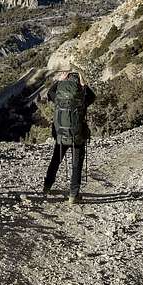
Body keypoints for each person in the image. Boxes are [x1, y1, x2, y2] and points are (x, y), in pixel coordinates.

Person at [42, 70, 96, 204]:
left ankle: (47, 187)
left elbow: (49, 93)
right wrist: (84, 84)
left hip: (61, 135)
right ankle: (73, 194)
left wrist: (59, 81)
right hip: (78, 136)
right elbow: (93, 97)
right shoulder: (82, 97)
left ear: (66, 81)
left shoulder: (59, 97)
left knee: (56, 159)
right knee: (77, 164)